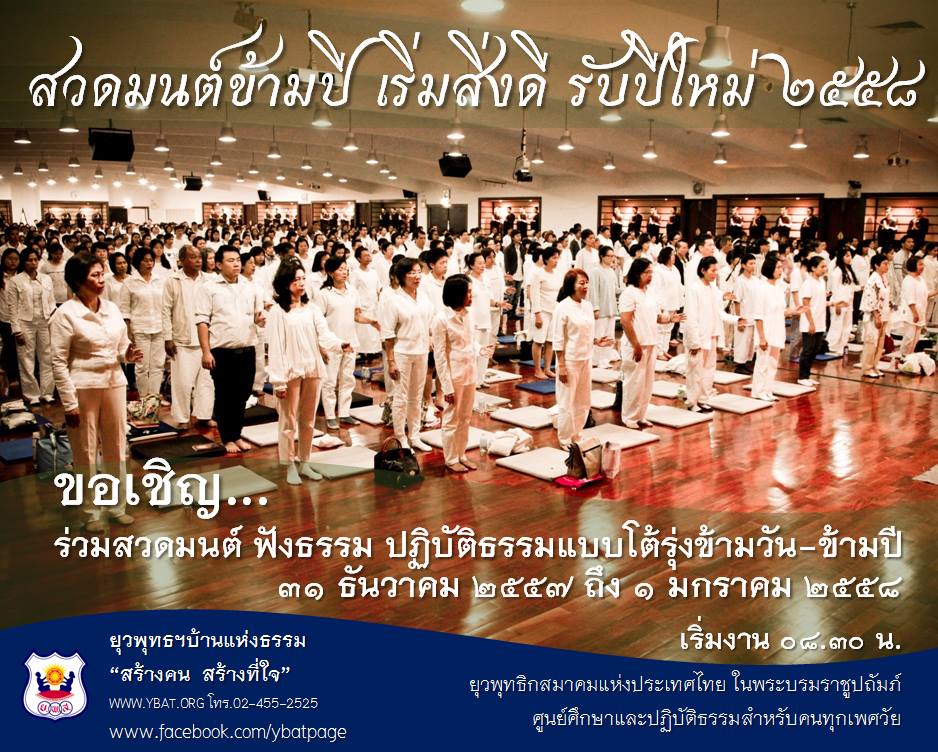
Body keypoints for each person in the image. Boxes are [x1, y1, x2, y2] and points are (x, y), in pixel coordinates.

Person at [50, 252, 141, 532]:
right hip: (83, 387)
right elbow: (58, 361)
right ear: (79, 281)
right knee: (85, 450)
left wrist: (127, 355)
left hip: (114, 383)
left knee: (116, 446)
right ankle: (91, 511)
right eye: (95, 275)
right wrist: (69, 403)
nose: (102, 280)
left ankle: (117, 506)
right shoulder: (66, 314)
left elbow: (121, 345)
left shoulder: (111, 308)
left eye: (103, 274)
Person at [268, 259, 349, 484]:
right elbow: (276, 347)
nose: (301, 283)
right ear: (285, 283)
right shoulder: (278, 311)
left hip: (312, 368)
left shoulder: (311, 309)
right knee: (288, 422)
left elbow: (324, 334)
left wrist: (339, 343)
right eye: (296, 280)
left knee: (308, 420)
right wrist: (278, 381)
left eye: (303, 279)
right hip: (290, 371)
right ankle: (289, 464)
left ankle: (304, 461)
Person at [195, 246, 265, 454]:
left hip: (247, 347)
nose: (236, 264)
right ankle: (227, 438)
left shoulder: (250, 286)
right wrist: (206, 351)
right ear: (218, 264)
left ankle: (236, 434)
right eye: (230, 260)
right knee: (225, 396)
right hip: (222, 351)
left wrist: (260, 320)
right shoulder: (208, 288)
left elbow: (256, 315)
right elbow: (202, 321)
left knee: (243, 395)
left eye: (237, 260)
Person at [431, 274, 491, 473]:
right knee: (451, 419)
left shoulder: (468, 314)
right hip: (453, 376)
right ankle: (451, 459)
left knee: (465, 417)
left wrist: (480, 349)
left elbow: (470, 342)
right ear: (458, 294)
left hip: (469, 373)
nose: (471, 296)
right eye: (469, 292)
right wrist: (446, 387)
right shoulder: (441, 319)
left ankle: (461, 454)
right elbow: (440, 356)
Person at [553, 269, 614, 448]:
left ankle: (577, 435)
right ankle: (565, 439)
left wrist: (596, 341)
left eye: (587, 282)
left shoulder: (587, 306)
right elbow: (558, 339)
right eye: (581, 283)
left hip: (586, 359)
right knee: (567, 402)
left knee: (583, 401)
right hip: (570, 361)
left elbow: (585, 331)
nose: (585, 286)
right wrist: (561, 366)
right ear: (571, 285)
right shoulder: (562, 307)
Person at [619, 258, 682, 428]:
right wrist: (636, 345)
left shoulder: (650, 292)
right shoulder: (629, 293)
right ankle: (629, 417)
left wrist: (670, 318)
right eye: (647, 272)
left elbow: (657, 317)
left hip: (651, 342)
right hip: (635, 344)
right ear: (637, 273)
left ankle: (641, 415)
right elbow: (625, 321)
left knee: (647, 383)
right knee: (634, 382)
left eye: (651, 272)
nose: (650, 275)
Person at [318, 256, 378, 429]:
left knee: (348, 379)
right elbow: (318, 322)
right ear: (331, 273)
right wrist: (321, 346)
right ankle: (330, 415)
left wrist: (371, 321)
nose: (344, 272)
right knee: (330, 381)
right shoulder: (324, 294)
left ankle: (344, 413)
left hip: (351, 342)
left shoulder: (352, 291)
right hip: (331, 344)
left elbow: (356, 316)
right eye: (340, 269)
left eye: (346, 269)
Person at [381, 258, 434, 452]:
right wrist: (391, 361)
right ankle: (400, 437)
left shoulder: (424, 297)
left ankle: (415, 435)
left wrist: (431, 338)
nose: (417, 276)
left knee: (416, 396)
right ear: (402, 276)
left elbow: (429, 321)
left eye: (419, 272)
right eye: (412, 273)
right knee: (401, 397)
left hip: (422, 351)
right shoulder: (394, 300)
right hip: (402, 352)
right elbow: (388, 334)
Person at [161, 245, 213, 428]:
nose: (198, 260)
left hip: (206, 340)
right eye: (192, 257)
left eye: (199, 257)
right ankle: (182, 418)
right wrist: (168, 337)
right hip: (181, 339)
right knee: (182, 384)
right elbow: (165, 310)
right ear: (182, 260)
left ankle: (204, 416)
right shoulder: (172, 280)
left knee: (206, 383)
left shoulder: (208, 280)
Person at [683, 257, 736, 412]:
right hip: (698, 336)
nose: (715, 273)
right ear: (703, 270)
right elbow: (691, 317)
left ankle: (704, 398)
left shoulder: (713, 288)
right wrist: (694, 342)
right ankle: (692, 402)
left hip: (711, 334)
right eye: (712, 270)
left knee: (709, 370)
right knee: (695, 370)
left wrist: (735, 319)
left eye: (716, 270)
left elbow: (719, 311)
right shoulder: (694, 289)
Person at [9, 248, 56, 405]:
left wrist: (53, 320)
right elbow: (12, 308)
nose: (33, 263)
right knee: (26, 358)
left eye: (35, 259)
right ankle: (32, 395)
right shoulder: (16, 281)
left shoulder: (46, 279)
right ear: (23, 262)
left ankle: (47, 393)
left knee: (47, 357)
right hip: (25, 322)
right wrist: (16, 330)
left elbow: (51, 302)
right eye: (29, 260)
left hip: (44, 321)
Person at [119, 247, 166, 398]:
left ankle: (154, 397)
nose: (149, 263)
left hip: (159, 327)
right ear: (138, 262)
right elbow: (124, 309)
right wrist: (128, 331)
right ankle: (144, 398)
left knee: (158, 365)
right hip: (139, 328)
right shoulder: (129, 282)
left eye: (151, 260)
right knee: (142, 366)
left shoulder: (160, 280)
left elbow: (166, 305)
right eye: (145, 261)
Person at [751, 256, 798, 402]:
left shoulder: (779, 288)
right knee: (762, 363)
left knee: (772, 364)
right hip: (765, 330)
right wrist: (762, 337)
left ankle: (768, 390)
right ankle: (758, 391)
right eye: (778, 267)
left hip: (778, 329)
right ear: (770, 268)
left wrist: (795, 311)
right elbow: (758, 315)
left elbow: (781, 311)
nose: (780, 270)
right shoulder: (761, 288)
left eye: (780, 267)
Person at [529, 247, 563, 379]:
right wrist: (537, 314)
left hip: (555, 311)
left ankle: (547, 368)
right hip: (542, 312)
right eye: (554, 258)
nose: (556, 260)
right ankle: (537, 370)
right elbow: (534, 295)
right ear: (546, 259)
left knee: (550, 341)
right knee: (538, 341)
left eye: (557, 258)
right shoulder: (538, 274)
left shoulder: (558, 273)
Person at [796, 256, 829, 387]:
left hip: (820, 320)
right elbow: (806, 305)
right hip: (809, 321)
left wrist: (834, 303)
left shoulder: (821, 281)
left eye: (825, 266)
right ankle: (802, 377)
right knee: (808, 350)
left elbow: (820, 301)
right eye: (822, 266)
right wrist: (811, 323)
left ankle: (807, 375)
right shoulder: (808, 283)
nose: (824, 269)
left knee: (815, 349)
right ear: (813, 268)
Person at [898, 255, 935, 356]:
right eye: (920, 264)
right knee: (909, 338)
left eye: (923, 264)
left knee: (915, 339)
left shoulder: (921, 279)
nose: (922, 267)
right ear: (913, 265)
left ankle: (909, 358)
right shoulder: (908, 280)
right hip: (911, 314)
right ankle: (903, 357)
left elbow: (925, 294)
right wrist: (915, 313)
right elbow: (910, 299)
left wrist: (936, 291)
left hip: (920, 313)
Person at [827, 248, 860, 356]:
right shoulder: (837, 272)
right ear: (841, 257)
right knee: (837, 326)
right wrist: (837, 305)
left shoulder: (848, 270)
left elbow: (850, 287)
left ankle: (842, 346)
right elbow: (834, 289)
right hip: (839, 303)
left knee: (847, 326)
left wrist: (861, 287)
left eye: (850, 256)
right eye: (847, 256)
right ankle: (832, 347)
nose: (849, 258)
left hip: (848, 302)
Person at [732, 252, 759, 374]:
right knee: (742, 342)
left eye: (754, 263)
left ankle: (747, 363)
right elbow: (736, 301)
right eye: (750, 263)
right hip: (744, 315)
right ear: (743, 265)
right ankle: (739, 365)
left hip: (754, 316)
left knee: (751, 342)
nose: (753, 266)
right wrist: (740, 319)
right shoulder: (740, 281)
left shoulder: (756, 280)